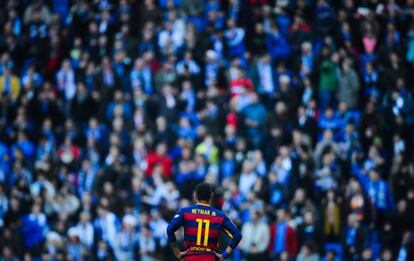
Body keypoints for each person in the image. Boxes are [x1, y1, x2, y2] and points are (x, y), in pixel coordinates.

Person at [166, 182, 242, 260]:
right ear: (211, 196)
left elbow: (170, 229)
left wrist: (177, 252)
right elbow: (237, 235)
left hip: (190, 257)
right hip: (210, 257)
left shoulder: (185, 212)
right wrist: (224, 255)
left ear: (195, 196)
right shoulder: (220, 216)